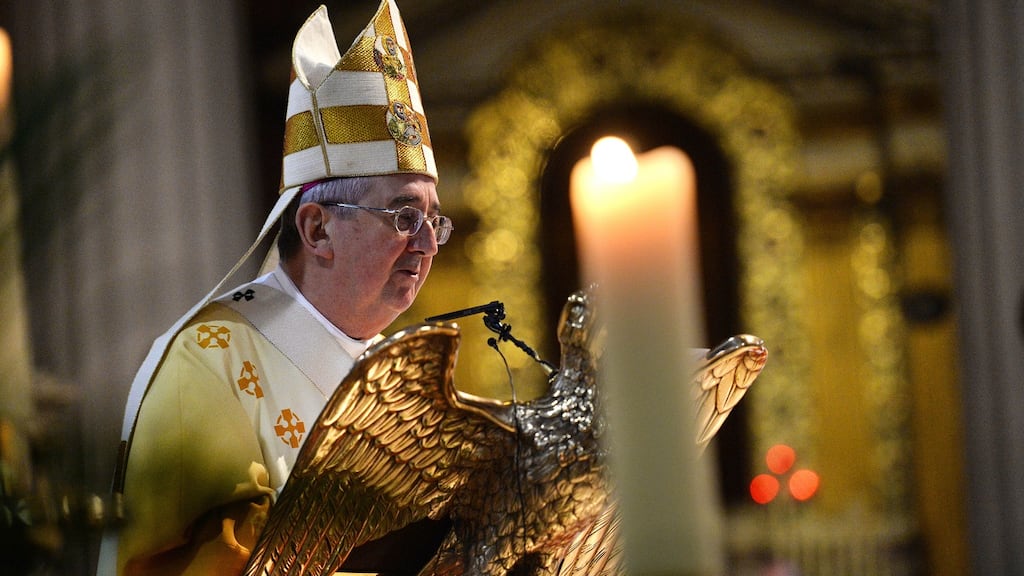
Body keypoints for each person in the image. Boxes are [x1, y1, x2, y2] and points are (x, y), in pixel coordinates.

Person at [96, 2, 448, 574]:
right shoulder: (209, 361)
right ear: (318, 229)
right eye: (405, 217)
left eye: (435, 222)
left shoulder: (396, 369)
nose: (428, 245)